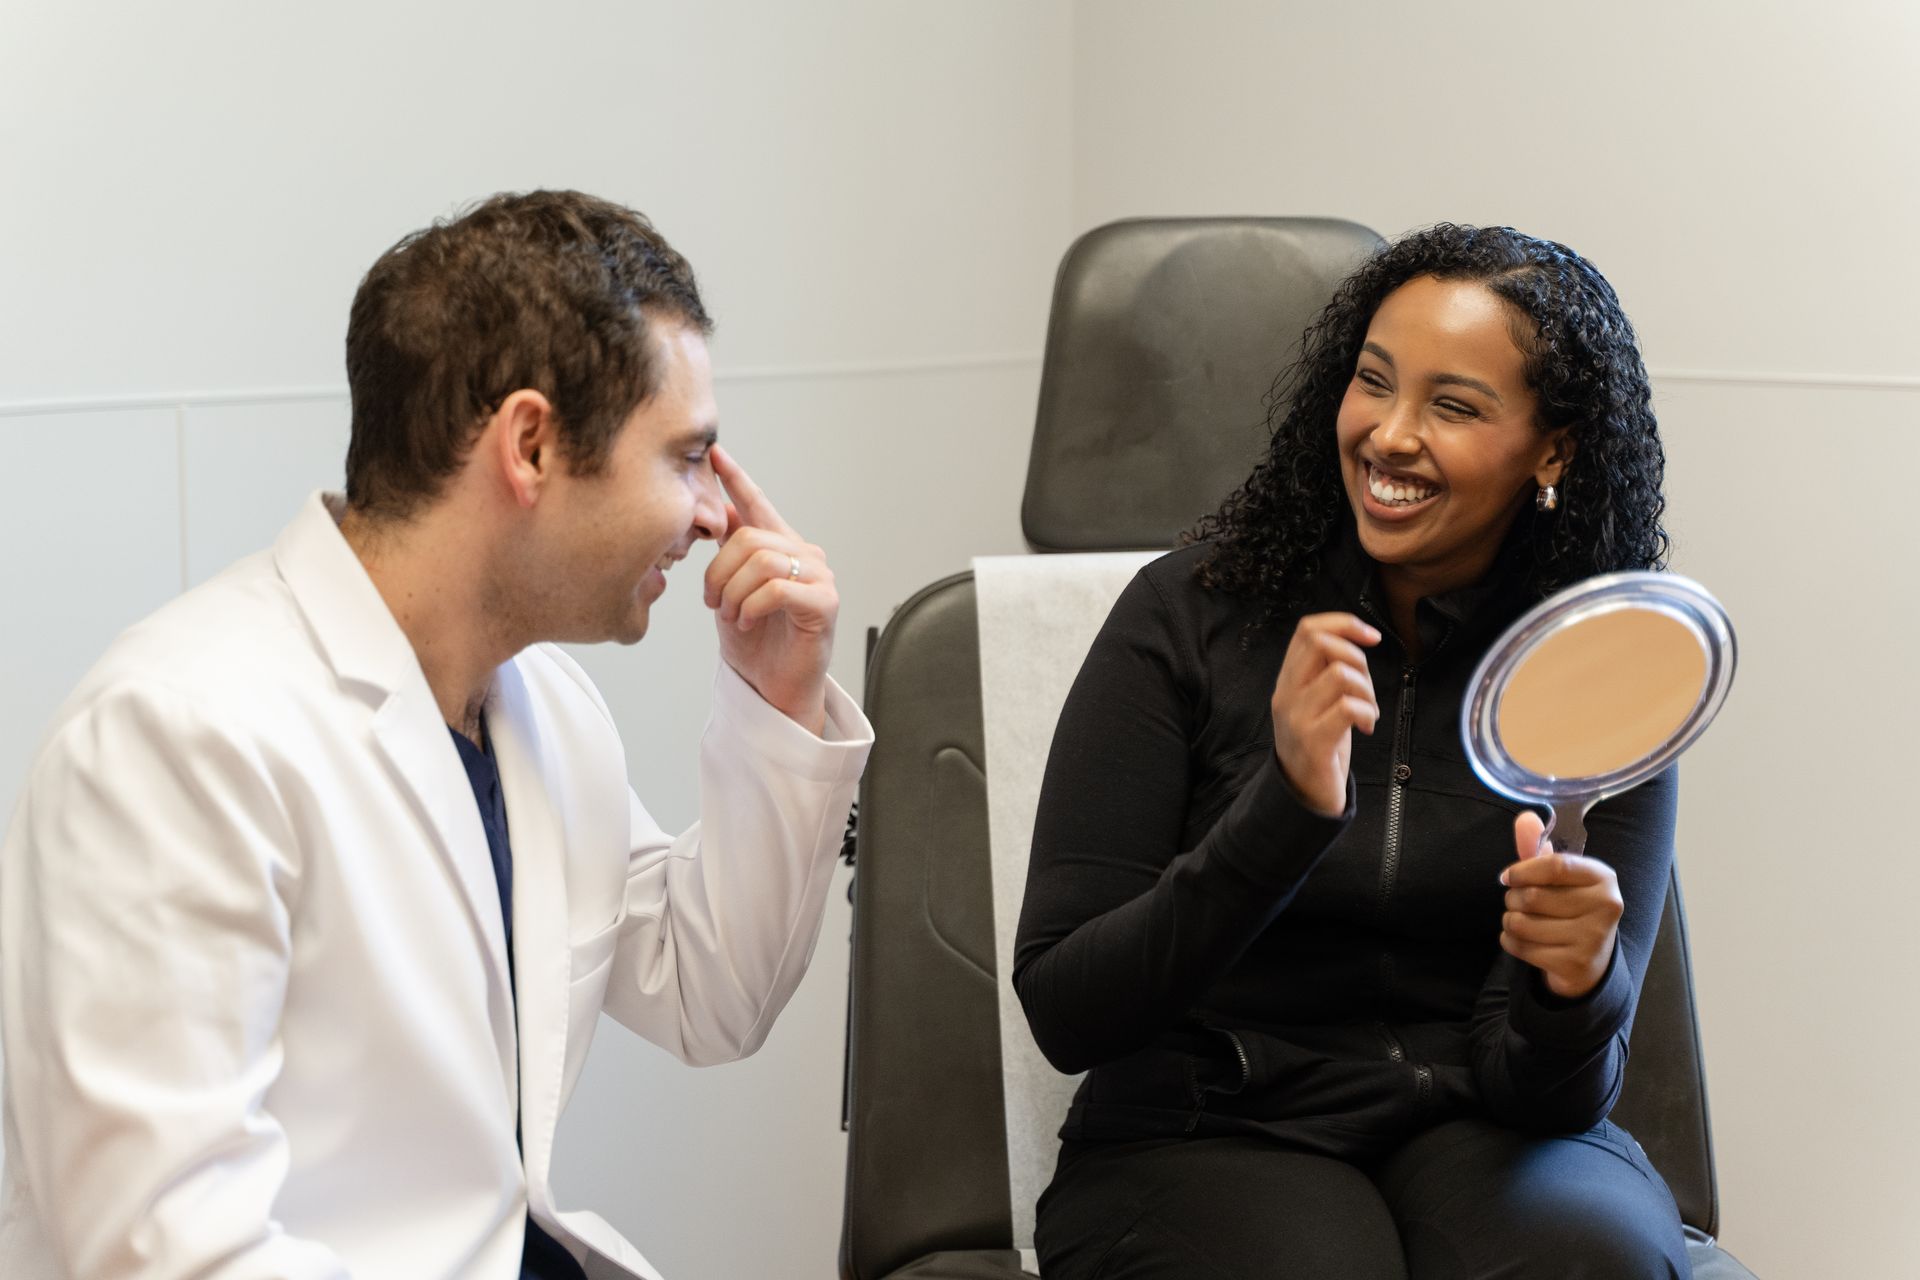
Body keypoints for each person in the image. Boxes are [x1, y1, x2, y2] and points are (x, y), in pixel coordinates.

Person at [0, 190, 873, 1279]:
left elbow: (711, 993)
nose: (714, 514)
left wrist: (777, 698)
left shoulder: (538, 704)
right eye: (687, 458)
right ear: (532, 444)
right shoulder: (173, 738)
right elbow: (170, 1254)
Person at [1014, 224, 1689, 1278]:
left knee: (1590, 1256)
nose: (1388, 434)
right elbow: (1070, 1007)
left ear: (1552, 447)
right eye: (1372, 383)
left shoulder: (1595, 671)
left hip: (1485, 1128)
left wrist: (1576, 987)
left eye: (1454, 405)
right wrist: (1280, 807)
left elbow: (1548, 1095)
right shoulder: (1186, 616)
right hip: (1208, 1125)